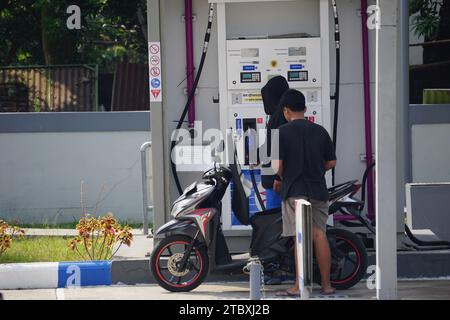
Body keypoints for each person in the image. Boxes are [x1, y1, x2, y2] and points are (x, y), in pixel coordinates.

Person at [272, 89, 337, 297]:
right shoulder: (320, 131)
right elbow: (332, 162)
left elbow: (277, 167)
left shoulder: (280, 133)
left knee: (300, 238)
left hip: (294, 192)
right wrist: (317, 169)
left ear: (286, 111)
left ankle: (299, 286)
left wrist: (283, 176)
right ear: (305, 109)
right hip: (318, 189)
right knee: (319, 234)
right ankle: (326, 285)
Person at [260, 76, 289, 209]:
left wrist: (279, 177)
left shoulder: (280, 116)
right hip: (273, 179)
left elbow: (281, 148)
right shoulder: (280, 114)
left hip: (275, 181)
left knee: (275, 222)